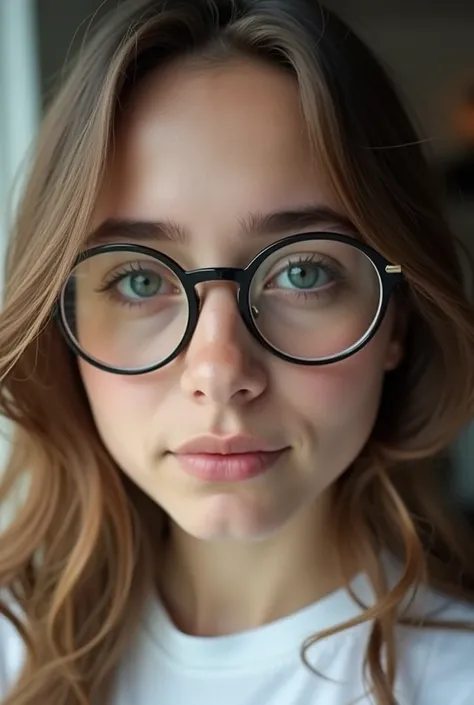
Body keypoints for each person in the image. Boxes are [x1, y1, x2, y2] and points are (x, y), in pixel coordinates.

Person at [0, 0, 473, 703]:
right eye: (138, 279)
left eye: (303, 272)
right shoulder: (13, 648)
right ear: (61, 318)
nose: (219, 372)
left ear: (395, 320)